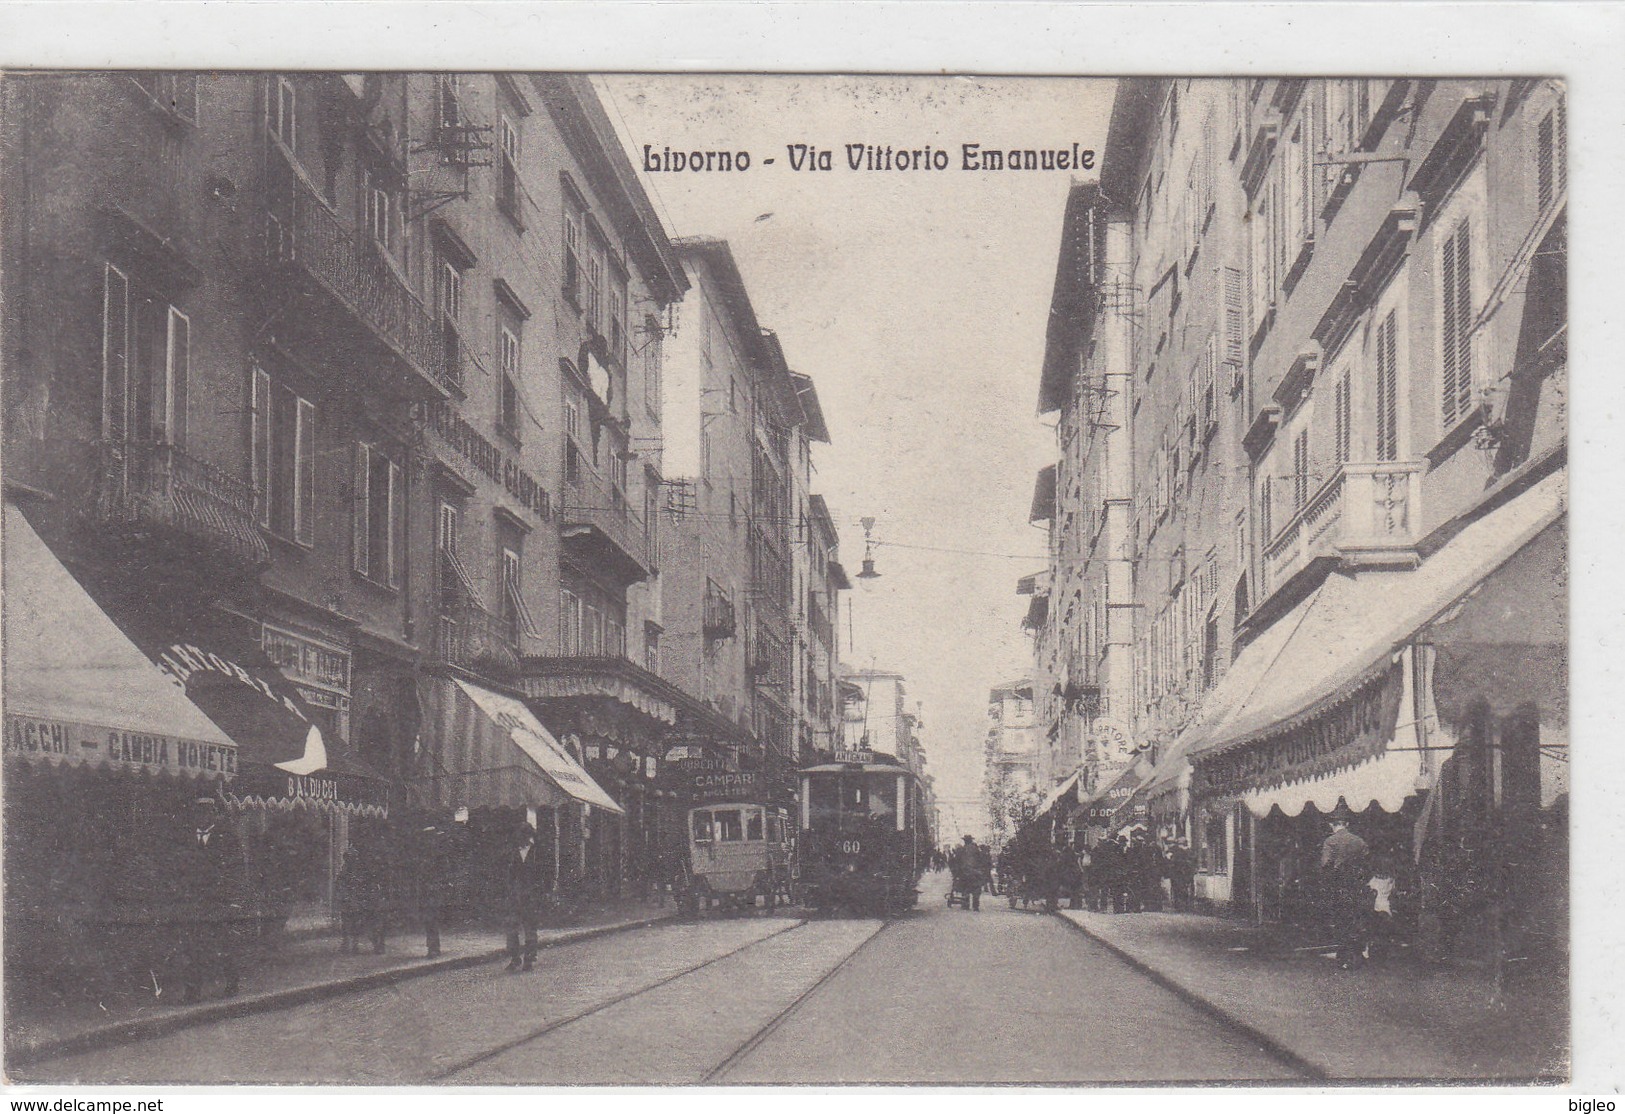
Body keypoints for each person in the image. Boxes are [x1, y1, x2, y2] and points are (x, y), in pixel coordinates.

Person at [171, 796, 244, 1003]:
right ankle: (192, 992)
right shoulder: (186, 838)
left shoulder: (228, 837)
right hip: (194, 901)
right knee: (193, 946)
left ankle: (232, 982)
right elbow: (178, 868)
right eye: (198, 812)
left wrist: (233, 899)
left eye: (207, 812)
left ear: (213, 814)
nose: (202, 816)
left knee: (224, 945)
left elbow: (236, 869)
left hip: (220, 901)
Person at [1319, 805, 1370, 969]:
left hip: (1338, 887)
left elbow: (1326, 865)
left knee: (1341, 921)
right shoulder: (1359, 841)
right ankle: (1356, 955)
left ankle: (1344, 957)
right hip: (1356, 886)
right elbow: (1367, 864)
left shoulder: (1330, 841)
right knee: (1355, 920)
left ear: (1332, 824)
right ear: (1347, 824)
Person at [504, 824, 551, 971]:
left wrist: (544, 892)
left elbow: (546, 874)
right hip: (515, 895)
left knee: (530, 928)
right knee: (512, 927)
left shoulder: (538, 852)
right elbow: (508, 874)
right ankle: (514, 958)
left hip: (532, 896)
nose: (522, 840)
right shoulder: (513, 853)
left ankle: (529, 959)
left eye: (525, 836)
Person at [1166, 837, 1197, 912]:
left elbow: (1176, 862)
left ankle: (1181, 906)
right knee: (1185, 889)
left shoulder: (1179, 852)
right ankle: (1186, 906)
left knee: (1180, 890)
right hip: (1187, 874)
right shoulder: (1190, 851)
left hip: (1180, 874)